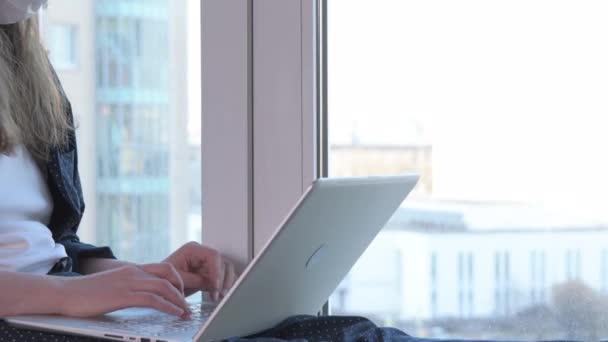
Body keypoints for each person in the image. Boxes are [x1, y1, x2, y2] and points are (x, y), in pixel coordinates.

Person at [0, 0, 236, 322]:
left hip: (53, 304)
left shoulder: (30, 76)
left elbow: (42, 245)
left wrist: (143, 279)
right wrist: (71, 294)